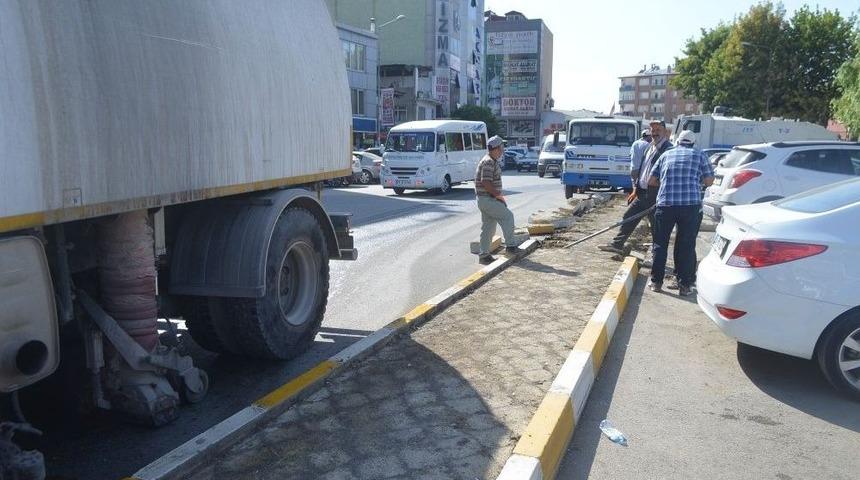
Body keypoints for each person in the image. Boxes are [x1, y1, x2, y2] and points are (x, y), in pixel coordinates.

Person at [647, 130, 715, 295]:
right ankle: (684, 286)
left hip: (665, 206)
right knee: (686, 245)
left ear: (677, 142)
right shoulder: (699, 155)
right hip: (690, 206)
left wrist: (668, 183)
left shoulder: (666, 155)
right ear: (693, 143)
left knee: (660, 244)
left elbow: (651, 180)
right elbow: (709, 180)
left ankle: (656, 282)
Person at [598, 120, 671, 254]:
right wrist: (635, 189)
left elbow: (669, 173)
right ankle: (617, 244)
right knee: (628, 216)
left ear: (665, 132)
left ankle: (658, 253)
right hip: (642, 192)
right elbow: (643, 170)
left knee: (656, 225)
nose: (654, 134)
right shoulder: (649, 147)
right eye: (653, 131)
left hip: (656, 194)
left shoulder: (668, 150)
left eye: (658, 130)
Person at [475, 135, 517, 265]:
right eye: (501, 148)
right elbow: (486, 182)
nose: (503, 150)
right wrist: (498, 196)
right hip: (488, 199)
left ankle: (484, 255)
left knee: (488, 227)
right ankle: (510, 246)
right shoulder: (488, 162)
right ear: (495, 148)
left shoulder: (491, 160)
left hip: (485, 200)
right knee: (508, 216)